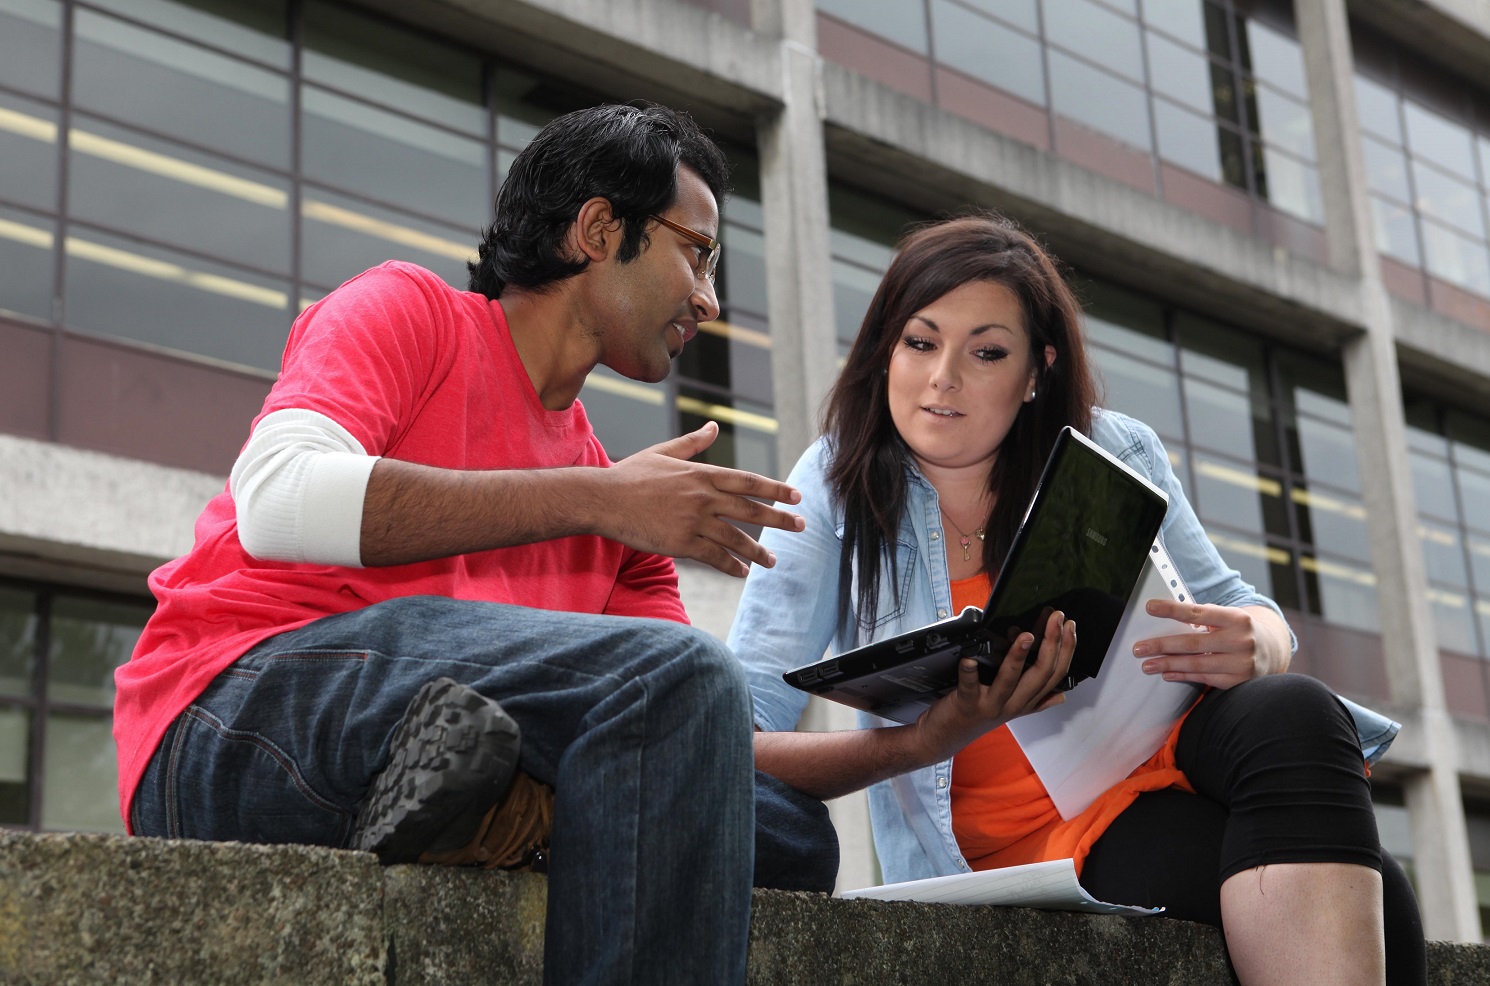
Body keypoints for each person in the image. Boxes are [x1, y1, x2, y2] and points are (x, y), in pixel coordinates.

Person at [113, 102, 835, 986]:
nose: (709, 299)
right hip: (235, 722)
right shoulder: (410, 312)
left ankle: (496, 800)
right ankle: (509, 800)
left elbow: (700, 738)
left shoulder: (617, 497)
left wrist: (918, 741)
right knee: (667, 681)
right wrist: (598, 500)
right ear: (601, 228)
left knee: (794, 835)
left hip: (442, 743)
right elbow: (278, 500)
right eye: (698, 251)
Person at [729, 214, 1427, 985]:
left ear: (1037, 371)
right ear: (884, 349)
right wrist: (926, 738)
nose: (942, 378)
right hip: (1024, 841)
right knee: (1381, 897)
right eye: (920, 342)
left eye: (986, 352)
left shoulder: (1116, 445)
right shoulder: (834, 487)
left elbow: (1236, 602)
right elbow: (735, 739)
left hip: (1169, 751)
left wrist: (1264, 639)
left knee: (1295, 708)